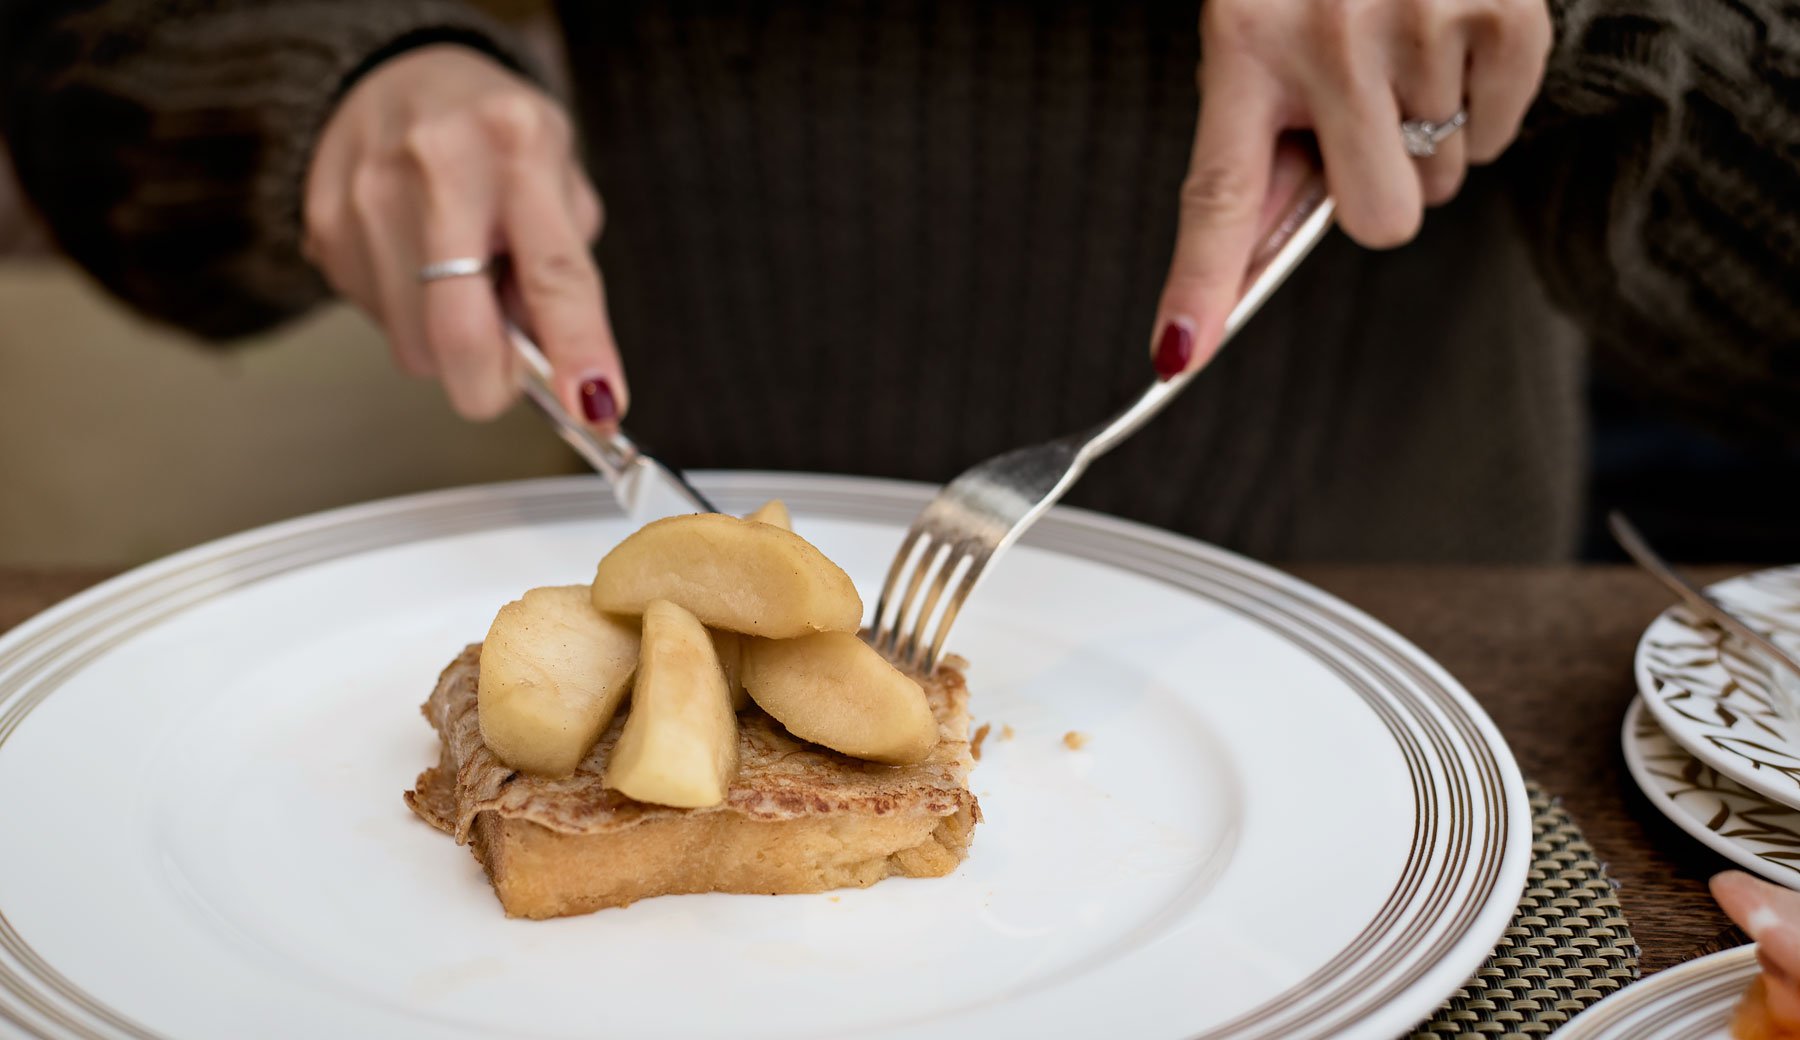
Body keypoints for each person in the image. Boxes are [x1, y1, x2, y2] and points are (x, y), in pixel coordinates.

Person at [1, 0, 1794, 561]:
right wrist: (348, 68)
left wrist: (1581, 22)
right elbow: (98, 48)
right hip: (662, 589)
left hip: (1429, 681)